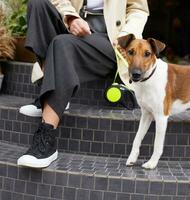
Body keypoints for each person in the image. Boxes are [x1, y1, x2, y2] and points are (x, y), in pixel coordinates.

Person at [17, 0, 149, 168]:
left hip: (110, 37)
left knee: (61, 43)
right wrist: (71, 18)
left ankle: (46, 140)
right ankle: (49, 89)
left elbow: (138, 9)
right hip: (73, 24)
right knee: (38, 4)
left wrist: (127, 35)